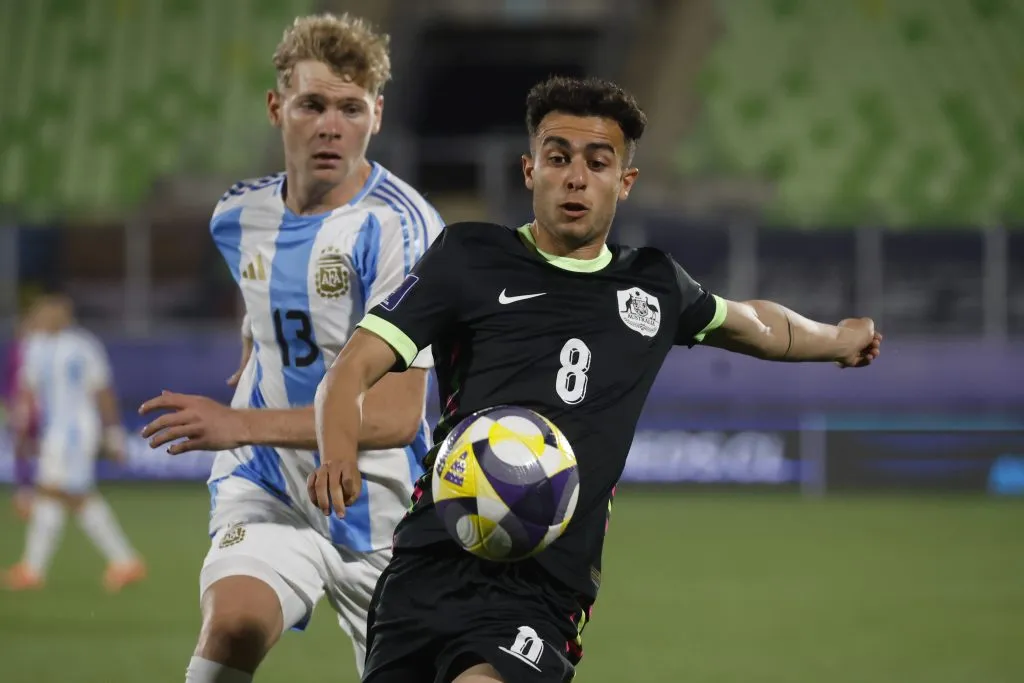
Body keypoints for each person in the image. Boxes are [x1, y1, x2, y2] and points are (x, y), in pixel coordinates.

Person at [309, 75, 883, 683]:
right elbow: (354, 365)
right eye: (558, 158)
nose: (575, 176)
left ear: (624, 182)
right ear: (530, 170)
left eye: (597, 162)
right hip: (429, 562)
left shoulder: (655, 286)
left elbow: (757, 325)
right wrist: (337, 447)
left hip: (542, 588)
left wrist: (839, 339)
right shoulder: (467, 258)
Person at [137, 13, 444, 683]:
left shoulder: (403, 228)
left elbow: (394, 416)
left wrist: (236, 422)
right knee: (235, 623)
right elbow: (268, 307)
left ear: (377, 115)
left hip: (384, 512)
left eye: (349, 108)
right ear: (278, 108)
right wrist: (252, 359)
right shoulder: (237, 215)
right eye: (312, 104)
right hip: (268, 484)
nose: (330, 125)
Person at [4, 294, 145, 593]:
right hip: (53, 430)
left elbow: (102, 391)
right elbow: (28, 393)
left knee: (65, 493)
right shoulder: (35, 346)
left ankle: (125, 560)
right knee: (55, 494)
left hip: (75, 432)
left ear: (64, 316)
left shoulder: (82, 345)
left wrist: (113, 433)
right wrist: (24, 428)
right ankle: (33, 569)